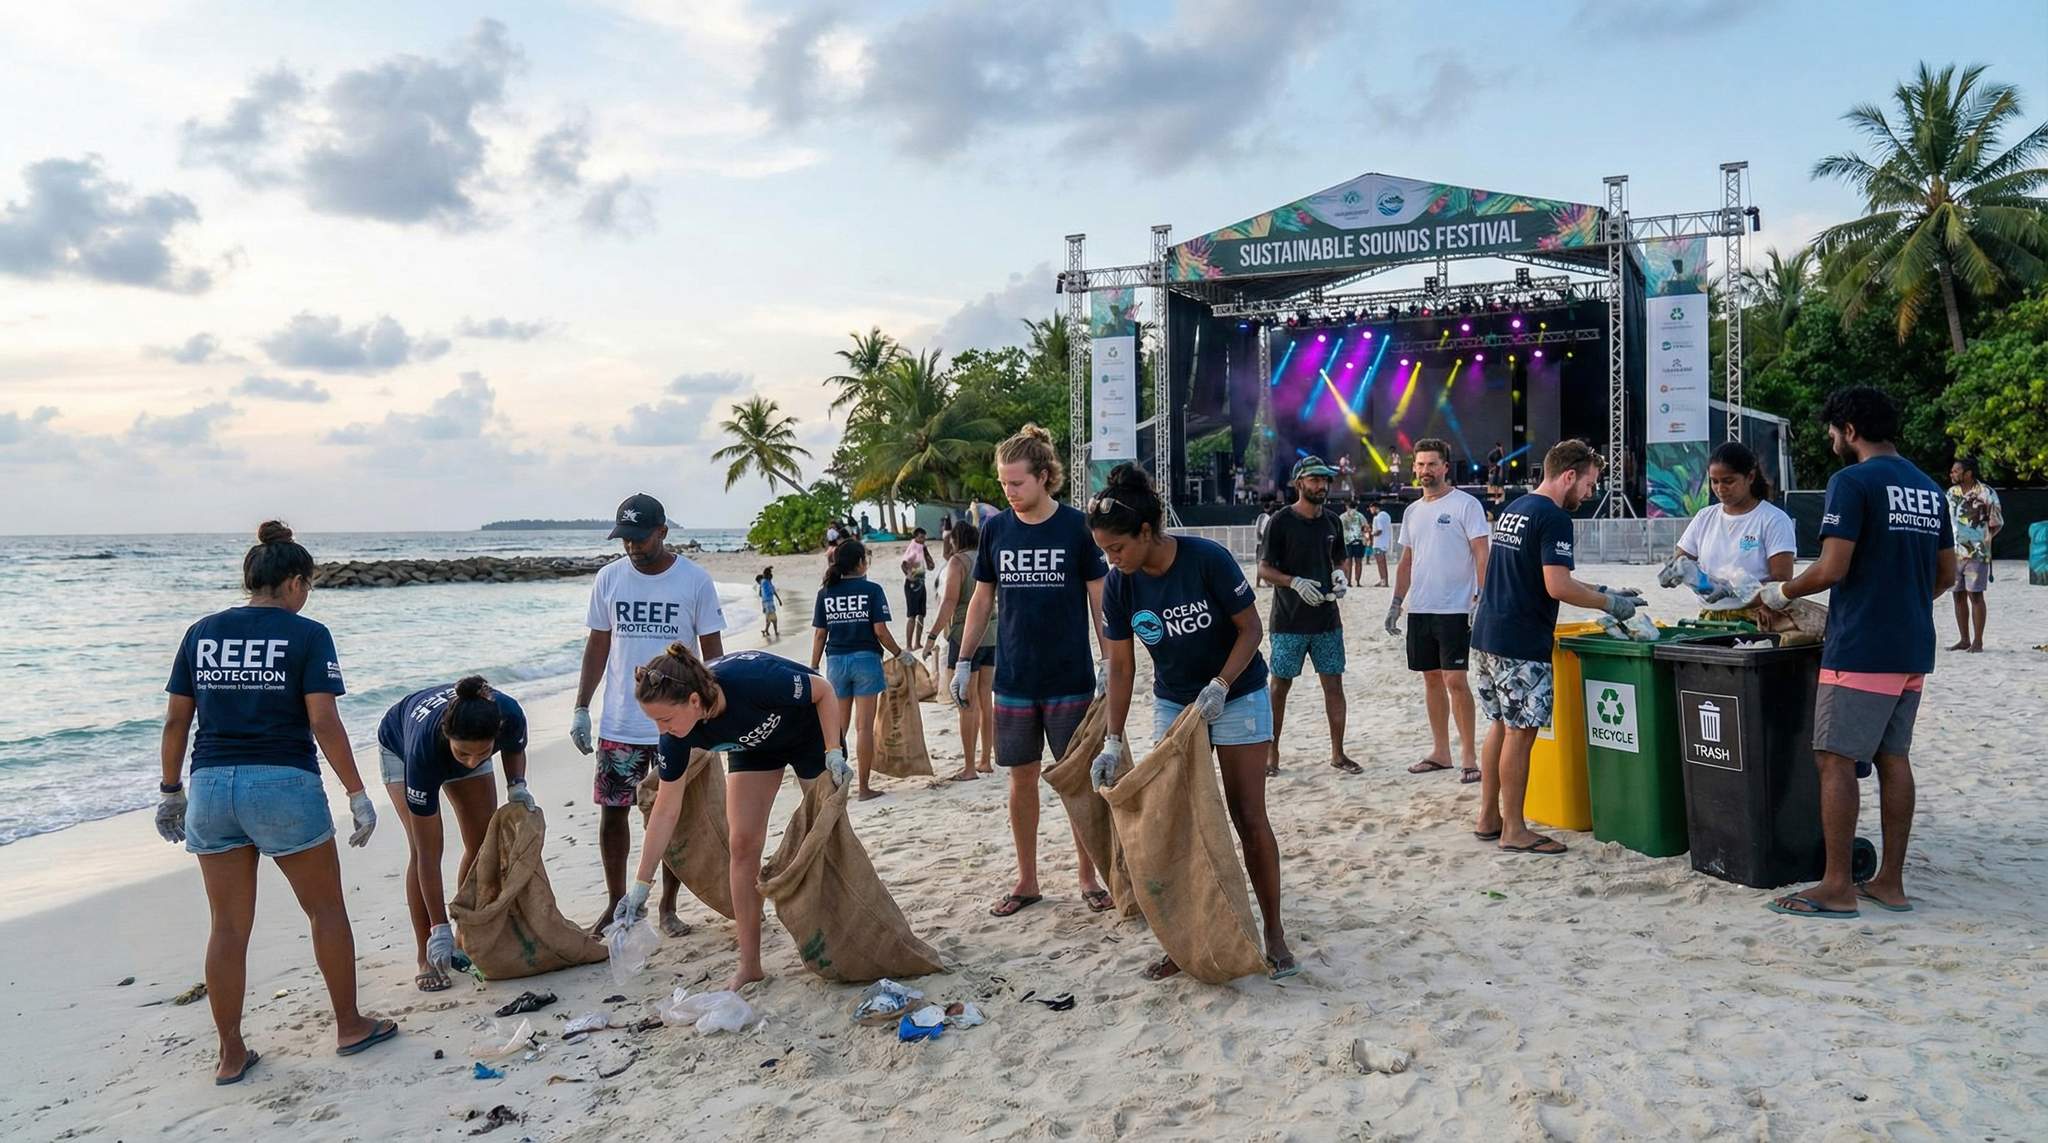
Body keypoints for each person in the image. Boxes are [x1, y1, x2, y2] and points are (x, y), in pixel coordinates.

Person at [155, 522, 396, 1084]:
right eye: (306, 584)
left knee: (227, 928)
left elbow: (176, 719)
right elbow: (322, 720)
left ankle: (231, 1053)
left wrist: (170, 792)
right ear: (292, 583)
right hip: (282, 783)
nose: (306, 595)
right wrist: (357, 792)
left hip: (212, 786)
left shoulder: (200, 633)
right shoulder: (307, 634)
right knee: (325, 910)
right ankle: (349, 1025)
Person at [1088, 464, 1296, 981]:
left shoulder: (1207, 559)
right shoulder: (1120, 586)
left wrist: (1221, 686)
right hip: (1173, 706)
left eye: (1117, 548)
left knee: (1248, 815)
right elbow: (1120, 664)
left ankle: (1273, 932)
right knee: (1177, 824)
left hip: (1240, 694)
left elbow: (1251, 632)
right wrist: (1112, 741)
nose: (1111, 560)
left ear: (1145, 532)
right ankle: (1187, 937)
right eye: (1103, 552)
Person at [1761, 387, 1955, 918]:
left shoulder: (1851, 482)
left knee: (1834, 759)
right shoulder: (1929, 488)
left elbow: (1832, 568)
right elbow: (1947, 574)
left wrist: (1782, 592)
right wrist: (1902, 600)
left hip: (1862, 646)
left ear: (1849, 430)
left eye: (1832, 431)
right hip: (1913, 645)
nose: (1829, 440)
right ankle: (1889, 882)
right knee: (1894, 758)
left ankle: (1838, 886)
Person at [616, 646, 850, 990]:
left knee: (828, 836)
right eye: (654, 721)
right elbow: (665, 810)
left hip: (810, 733)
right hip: (753, 748)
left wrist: (834, 751)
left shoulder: (752, 681)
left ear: (694, 701)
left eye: (664, 719)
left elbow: (823, 690)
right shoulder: (675, 737)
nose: (660, 729)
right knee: (741, 846)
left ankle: (846, 931)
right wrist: (639, 887)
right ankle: (750, 965)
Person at [951, 424, 1112, 917]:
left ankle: (1089, 877)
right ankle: (1028, 880)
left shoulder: (1077, 527)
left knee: (1075, 780)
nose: (1009, 492)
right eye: (1003, 484)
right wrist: (962, 659)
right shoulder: (997, 529)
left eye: (1017, 483)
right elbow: (982, 600)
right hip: (1014, 678)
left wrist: (1110, 661)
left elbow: (1099, 599)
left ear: (1044, 477)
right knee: (1021, 780)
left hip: (1070, 676)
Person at [1469, 441, 1644, 856]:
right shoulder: (1554, 517)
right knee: (1520, 732)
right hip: (1521, 641)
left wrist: (1603, 589)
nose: (1589, 494)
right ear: (1569, 475)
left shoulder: (1517, 507)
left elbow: (1535, 572)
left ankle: (1489, 817)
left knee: (1499, 725)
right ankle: (1515, 829)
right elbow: (1557, 585)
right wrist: (1611, 604)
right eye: (1588, 484)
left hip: (1487, 633)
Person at [570, 493, 726, 937]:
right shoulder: (609, 579)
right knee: (613, 813)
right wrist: (582, 705)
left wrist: (713, 712)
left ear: (662, 532)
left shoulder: (694, 580)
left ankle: (667, 907)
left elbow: (713, 654)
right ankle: (616, 903)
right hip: (621, 721)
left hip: (678, 724)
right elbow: (598, 645)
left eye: (640, 539)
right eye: (625, 539)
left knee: (672, 815)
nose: (632, 547)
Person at [377, 676, 532, 992]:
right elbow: (428, 858)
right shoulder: (424, 750)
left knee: (481, 844)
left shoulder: (509, 714)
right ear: (449, 737)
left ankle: (464, 937)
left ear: (495, 735)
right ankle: (427, 953)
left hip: (468, 736)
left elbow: (514, 749)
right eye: (464, 755)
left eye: (483, 753)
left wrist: (517, 784)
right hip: (400, 744)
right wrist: (438, 927)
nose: (473, 762)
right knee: (423, 850)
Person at [1387, 438, 1492, 783]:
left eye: (1432, 464)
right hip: (1420, 608)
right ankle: (1440, 751)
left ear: (1446, 467)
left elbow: (1481, 553)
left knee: (1456, 681)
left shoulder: (1466, 505)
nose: (1425, 471)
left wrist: (1483, 597)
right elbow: (1406, 561)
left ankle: (1468, 757)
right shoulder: (1413, 511)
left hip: (1456, 609)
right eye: (1419, 465)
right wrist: (1396, 603)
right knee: (1431, 679)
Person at [1258, 455, 1357, 777]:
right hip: (1288, 621)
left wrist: (1340, 575)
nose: (1321, 485)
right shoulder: (1281, 521)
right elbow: (1264, 568)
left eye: (1325, 480)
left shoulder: (1332, 521)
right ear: (1298, 483)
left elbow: (1339, 557)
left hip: (1328, 619)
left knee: (1334, 684)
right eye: (1314, 480)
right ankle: (1271, 756)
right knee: (1279, 686)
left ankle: (1338, 753)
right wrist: (1293, 582)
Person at [810, 540, 916, 801]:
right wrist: (900, 654)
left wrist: (813, 666)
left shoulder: (826, 592)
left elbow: (820, 634)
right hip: (866, 661)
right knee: (864, 728)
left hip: (835, 663)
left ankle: (833, 786)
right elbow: (880, 631)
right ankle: (864, 789)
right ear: (860, 563)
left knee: (838, 729)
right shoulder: (871, 590)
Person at [1665, 442, 1796, 617]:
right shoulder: (1705, 517)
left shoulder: (1773, 519)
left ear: (1750, 477)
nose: (1720, 489)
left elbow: (1782, 580)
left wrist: (1736, 591)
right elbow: (1681, 557)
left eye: (1728, 481)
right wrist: (1675, 570)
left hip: (1758, 616)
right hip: (1710, 615)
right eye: (1714, 481)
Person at [926, 519, 998, 780]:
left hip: (964, 635)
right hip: (992, 634)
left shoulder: (958, 563)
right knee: (985, 699)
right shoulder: (988, 557)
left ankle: (969, 767)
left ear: (955, 539)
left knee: (965, 702)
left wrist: (932, 635)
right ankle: (986, 760)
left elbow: (949, 603)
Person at [1946, 456, 2002, 652]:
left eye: (1956, 471)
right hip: (1954, 553)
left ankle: (1978, 642)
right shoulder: (1951, 493)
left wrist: (1983, 540)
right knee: (1957, 595)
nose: (1951, 474)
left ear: (1968, 473)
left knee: (1975, 595)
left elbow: (1997, 522)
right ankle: (1964, 639)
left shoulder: (1987, 493)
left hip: (1976, 553)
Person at [901, 528, 935, 648]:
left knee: (921, 614)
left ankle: (917, 643)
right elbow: (904, 563)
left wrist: (926, 552)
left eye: (924, 537)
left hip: (921, 582)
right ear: (915, 537)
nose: (923, 539)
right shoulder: (913, 547)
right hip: (912, 584)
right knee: (912, 615)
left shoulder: (922, 548)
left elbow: (931, 565)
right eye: (921, 537)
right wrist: (909, 575)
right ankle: (909, 645)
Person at [1339, 499, 1368, 589]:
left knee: (1348, 562)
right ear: (1356, 507)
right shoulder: (1360, 515)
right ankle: (1358, 581)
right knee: (1358, 562)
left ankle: (1348, 582)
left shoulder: (1342, 516)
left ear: (1347, 506)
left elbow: (1339, 529)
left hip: (1346, 541)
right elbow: (1365, 527)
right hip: (1358, 540)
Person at [1371, 499, 1395, 587]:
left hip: (1378, 543)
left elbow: (1379, 530)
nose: (1371, 511)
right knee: (1383, 563)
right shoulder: (1386, 515)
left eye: (1371, 509)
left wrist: (1372, 533)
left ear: (1374, 507)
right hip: (1385, 542)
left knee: (1380, 563)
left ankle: (1383, 581)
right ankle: (1384, 580)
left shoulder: (1378, 517)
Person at [756, 568, 782, 641]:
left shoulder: (767, 582)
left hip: (769, 603)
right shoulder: (764, 582)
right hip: (767, 603)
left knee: (771, 618)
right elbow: (771, 592)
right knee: (771, 618)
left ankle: (767, 630)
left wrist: (779, 600)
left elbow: (773, 592)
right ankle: (770, 631)